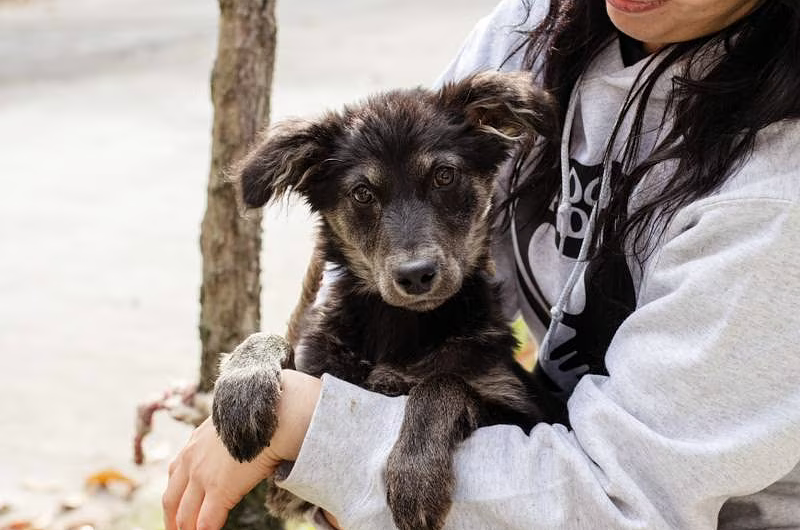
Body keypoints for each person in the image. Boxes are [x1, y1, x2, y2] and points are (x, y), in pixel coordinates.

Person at [162, 0, 800, 528]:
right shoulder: (536, 32)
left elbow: (629, 500)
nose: (412, 255)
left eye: (444, 181)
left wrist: (322, 433)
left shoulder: (776, 195)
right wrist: (271, 367)